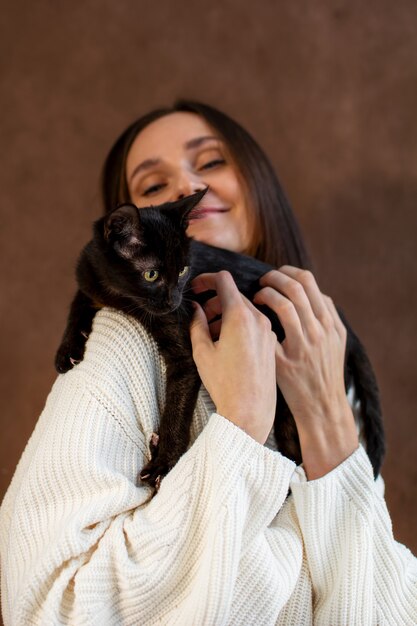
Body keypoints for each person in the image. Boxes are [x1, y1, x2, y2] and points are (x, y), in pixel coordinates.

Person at [0, 101, 416, 626]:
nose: (183, 189)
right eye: (153, 186)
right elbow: (49, 609)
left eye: (212, 162)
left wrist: (328, 427)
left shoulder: (315, 355)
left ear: (258, 181)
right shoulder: (127, 340)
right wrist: (239, 425)